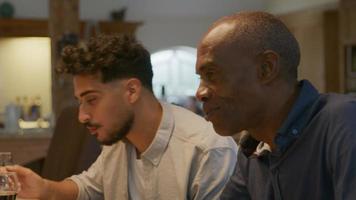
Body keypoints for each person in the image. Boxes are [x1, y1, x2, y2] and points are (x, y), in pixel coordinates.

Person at [6, 34, 238, 200]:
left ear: (132, 91)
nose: (82, 116)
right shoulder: (120, 140)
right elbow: (89, 188)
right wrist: (46, 189)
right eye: (80, 101)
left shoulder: (208, 152)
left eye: (92, 99)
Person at [195, 11, 356, 200]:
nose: (200, 93)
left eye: (212, 75)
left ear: (266, 69)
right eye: (201, 78)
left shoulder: (344, 122)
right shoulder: (253, 150)